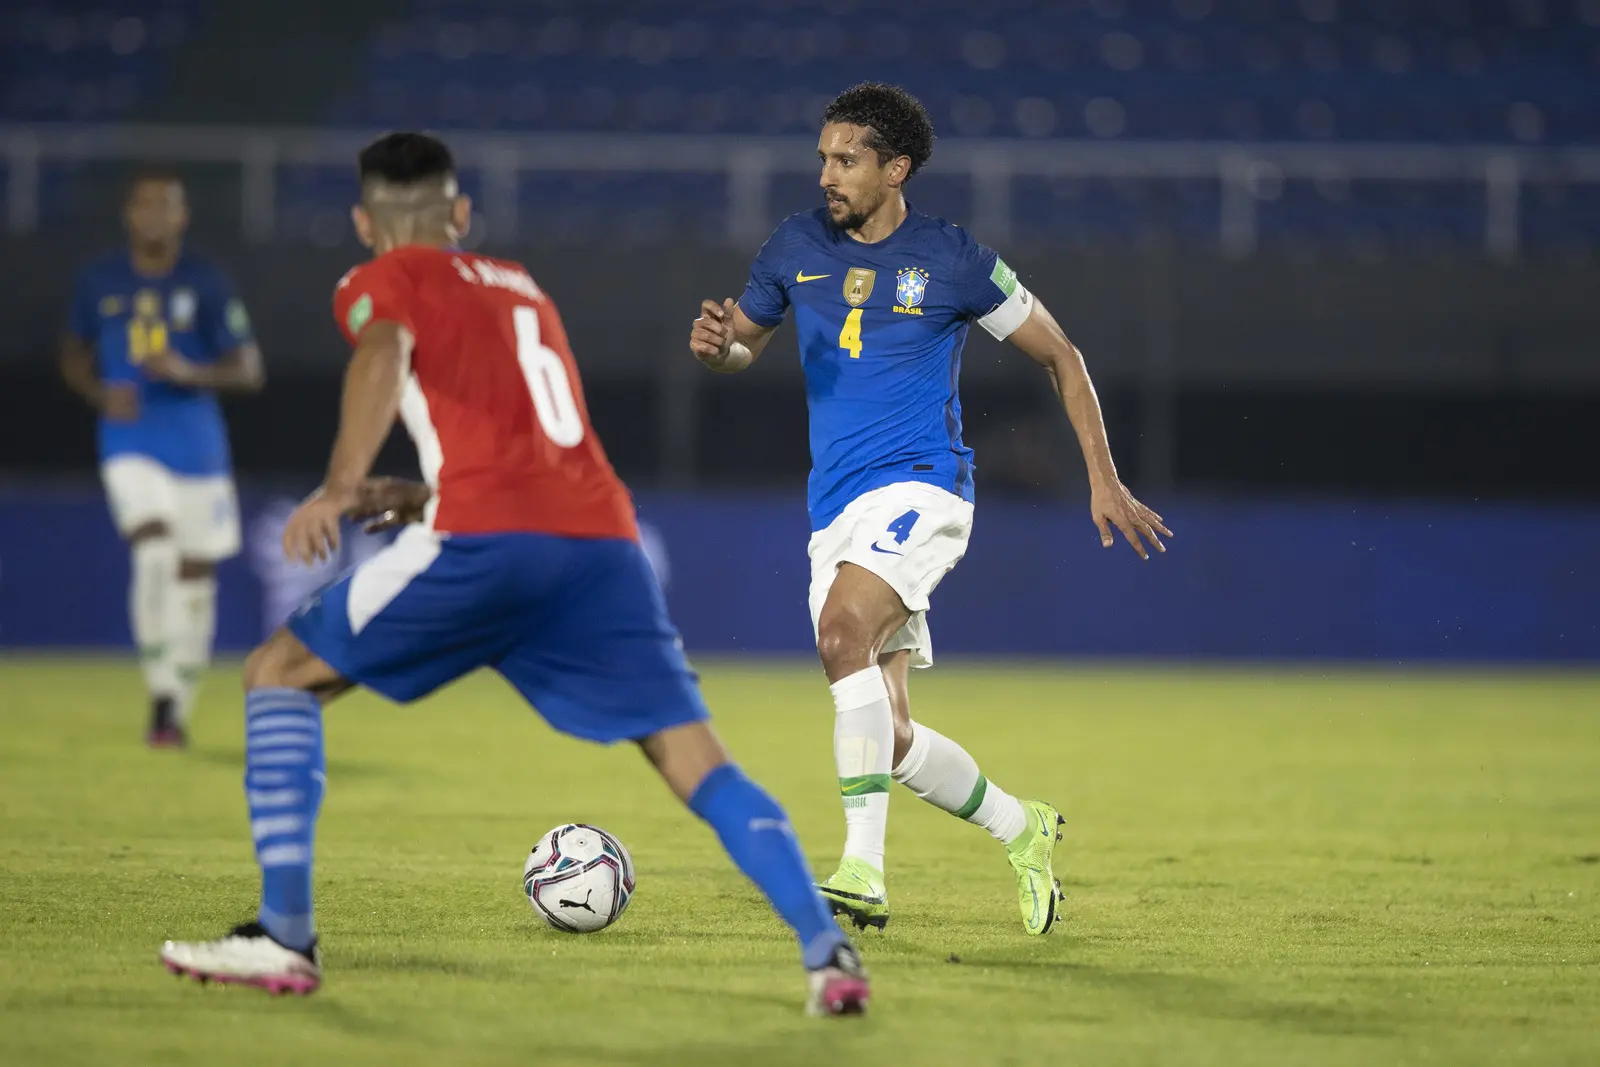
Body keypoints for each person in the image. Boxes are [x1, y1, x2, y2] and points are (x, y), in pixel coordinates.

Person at [157, 133, 869, 1017]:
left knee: (277, 676)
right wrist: (420, 494)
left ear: (364, 223)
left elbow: (381, 354)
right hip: (602, 545)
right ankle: (824, 953)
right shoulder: (524, 288)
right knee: (694, 758)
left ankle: (284, 936)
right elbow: (529, 441)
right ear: (460, 215)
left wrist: (339, 487)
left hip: (483, 542)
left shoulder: (380, 279)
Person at [687, 83, 1171, 936]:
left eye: (847, 160)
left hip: (923, 486)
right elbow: (742, 347)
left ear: (895, 168)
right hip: (835, 508)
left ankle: (864, 870)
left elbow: (1060, 354)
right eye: (823, 158)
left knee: (842, 635)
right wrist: (718, 345)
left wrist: (1101, 475)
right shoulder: (794, 244)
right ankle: (1025, 827)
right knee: (895, 736)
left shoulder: (952, 259)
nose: (827, 174)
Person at [60, 169, 265, 748]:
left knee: (195, 582)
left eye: (166, 205)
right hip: (129, 440)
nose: (154, 214)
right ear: (129, 213)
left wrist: (189, 372)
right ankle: (158, 690)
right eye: (143, 203)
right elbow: (73, 351)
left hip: (198, 448)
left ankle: (177, 703)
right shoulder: (98, 280)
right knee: (153, 551)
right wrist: (99, 392)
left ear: (182, 217)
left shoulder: (207, 283)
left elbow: (250, 369)